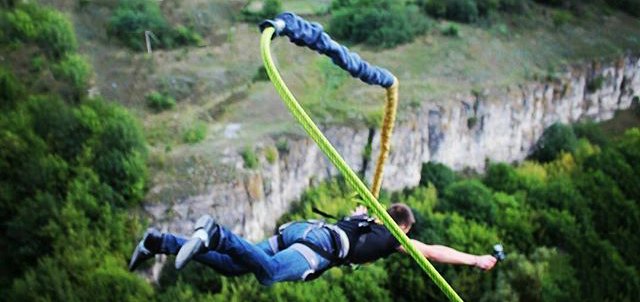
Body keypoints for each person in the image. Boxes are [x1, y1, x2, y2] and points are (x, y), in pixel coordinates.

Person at [129, 203, 497, 285]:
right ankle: (216, 233)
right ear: (403, 226)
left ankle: (160, 242)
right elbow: (434, 252)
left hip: (301, 230)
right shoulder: (393, 235)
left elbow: (356, 214)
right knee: (269, 275)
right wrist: (475, 259)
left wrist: (362, 212)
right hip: (319, 247)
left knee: (232, 266)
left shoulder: (367, 214)